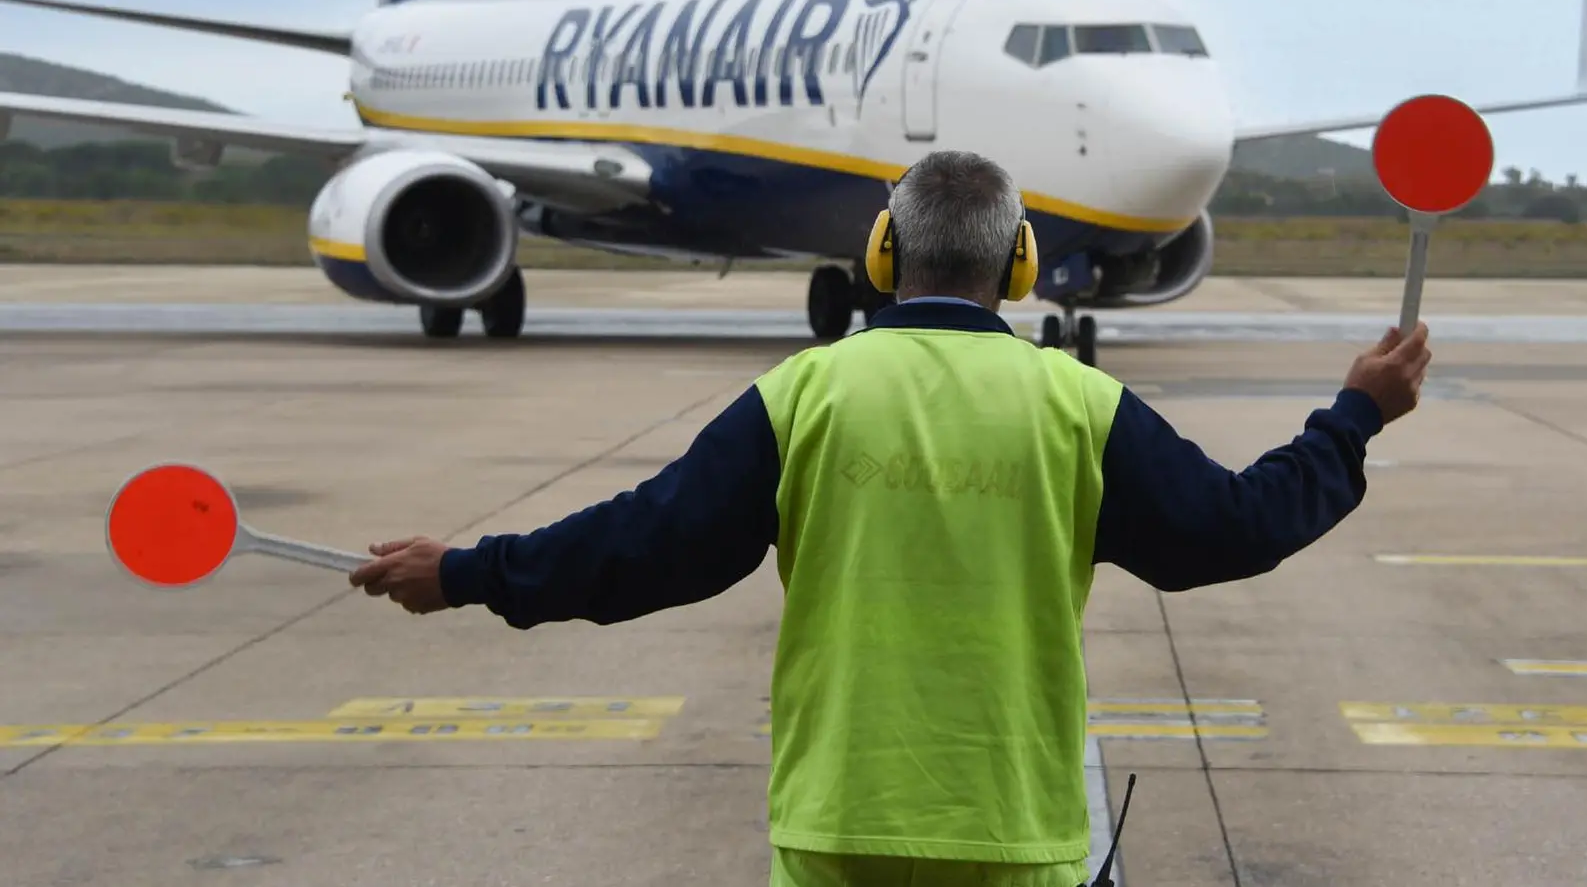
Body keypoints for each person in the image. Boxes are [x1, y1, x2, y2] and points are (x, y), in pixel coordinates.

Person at [351, 149, 1432, 887]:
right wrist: (1353, 417)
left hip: (839, 828)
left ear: (883, 252)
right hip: (1013, 833)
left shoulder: (805, 393)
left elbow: (644, 547)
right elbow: (1235, 529)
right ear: (1019, 261)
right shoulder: (1079, 405)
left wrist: (469, 570)